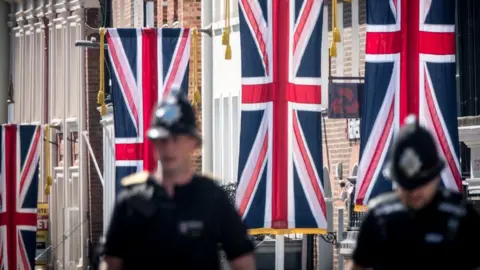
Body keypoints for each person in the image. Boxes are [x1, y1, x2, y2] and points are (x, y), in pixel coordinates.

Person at [100, 92, 256, 270]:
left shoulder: (212, 198)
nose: (169, 148)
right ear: (154, 143)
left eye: (176, 139)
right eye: (163, 140)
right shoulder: (131, 200)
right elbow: (111, 263)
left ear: (193, 143)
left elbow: (242, 261)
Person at [351, 115, 480, 270]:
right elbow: (357, 266)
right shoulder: (379, 217)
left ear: (436, 176)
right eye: (408, 186)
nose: (414, 192)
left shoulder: (461, 217)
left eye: (421, 184)